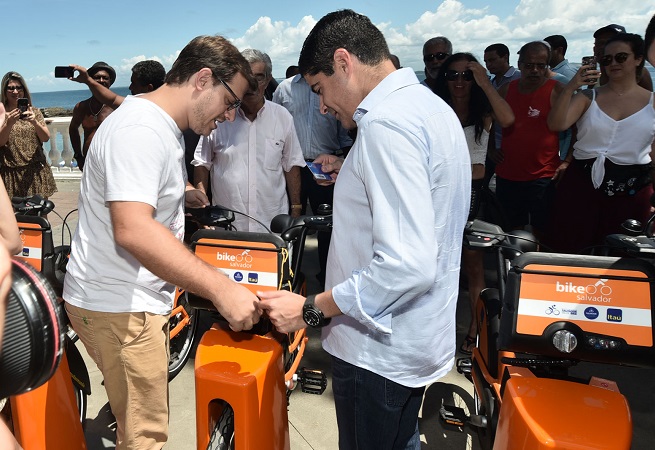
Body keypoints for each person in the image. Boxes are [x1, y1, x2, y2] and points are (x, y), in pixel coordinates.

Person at [259, 10, 471, 449]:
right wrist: (352, 167)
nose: (320, 105)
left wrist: (310, 309)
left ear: (344, 62)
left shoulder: (385, 125)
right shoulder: (427, 107)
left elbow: (406, 267)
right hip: (414, 341)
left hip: (376, 352)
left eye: (319, 88)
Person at [62, 35, 261, 450]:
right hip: (121, 310)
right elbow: (133, 229)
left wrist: (180, 193)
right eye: (231, 101)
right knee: (145, 437)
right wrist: (222, 287)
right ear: (203, 79)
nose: (229, 115)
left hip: (115, 302)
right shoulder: (141, 129)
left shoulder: (153, 124)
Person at [434, 52, 514, 355]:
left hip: (471, 193)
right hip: (440, 194)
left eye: (466, 75)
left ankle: (474, 330)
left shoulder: (483, 110)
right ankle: (438, 329)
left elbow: (508, 119)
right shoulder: (437, 109)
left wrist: (485, 81)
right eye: (452, 75)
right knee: (440, 265)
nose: (459, 81)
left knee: (473, 265)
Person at [547, 33, 655, 254]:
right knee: (571, 251)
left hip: (633, 191)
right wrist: (570, 87)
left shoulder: (652, 103)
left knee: (626, 260)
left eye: (621, 57)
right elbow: (556, 124)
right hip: (581, 186)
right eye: (607, 59)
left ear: (638, 59)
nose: (613, 63)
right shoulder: (587, 97)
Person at [192, 49, 305, 231]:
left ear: (268, 80)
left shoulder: (282, 117)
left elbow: (291, 165)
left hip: (271, 223)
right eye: (246, 77)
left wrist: (296, 211)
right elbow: (201, 163)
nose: (252, 84)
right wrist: (203, 211)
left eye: (259, 77)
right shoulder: (220, 118)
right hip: (227, 224)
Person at [273, 60, 352, 287]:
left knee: (328, 225)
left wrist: (344, 161)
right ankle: (290, 274)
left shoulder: (332, 86)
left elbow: (344, 132)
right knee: (291, 222)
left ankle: (328, 277)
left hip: (327, 168)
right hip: (291, 168)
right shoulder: (284, 89)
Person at [491, 41, 567, 237]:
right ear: (519, 64)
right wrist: (491, 148)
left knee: (542, 228)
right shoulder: (506, 90)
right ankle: (513, 266)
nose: (534, 70)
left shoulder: (557, 90)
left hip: (543, 175)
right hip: (508, 173)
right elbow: (487, 121)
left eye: (541, 65)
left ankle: (538, 265)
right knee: (510, 228)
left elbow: (578, 128)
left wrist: (567, 161)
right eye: (529, 65)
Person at [0, 72, 56, 200]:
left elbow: (45, 138)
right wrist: (8, 123)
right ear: (4, 91)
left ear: (24, 90)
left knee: (39, 215)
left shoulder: (34, 112)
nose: (15, 91)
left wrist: (34, 122)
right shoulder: (2, 114)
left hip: (35, 172)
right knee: (15, 217)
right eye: (11, 88)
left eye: (19, 88)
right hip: (11, 174)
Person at [69, 61, 117, 170]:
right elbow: (73, 129)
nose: (101, 80)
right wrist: (78, 155)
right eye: (97, 77)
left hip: (112, 163)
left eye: (105, 78)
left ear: (110, 81)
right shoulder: (81, 107)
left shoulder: (117, 107)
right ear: (90, 80)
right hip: (89, 163)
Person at [594, 24, 653, 91]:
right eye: (600, 43)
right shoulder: (593, 77)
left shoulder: (639, 73)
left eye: (613, 42)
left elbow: (649, 98)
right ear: (594, 49)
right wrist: (579, 84)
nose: (606, 47)